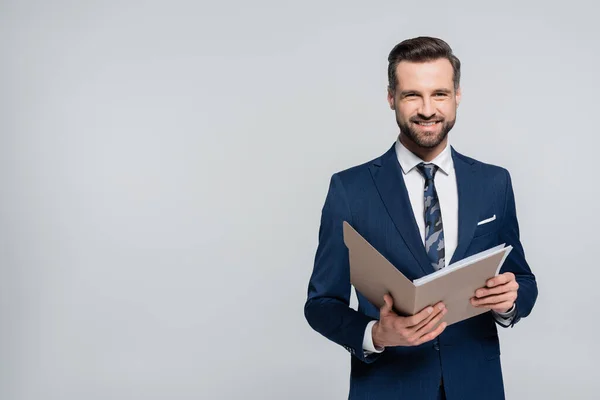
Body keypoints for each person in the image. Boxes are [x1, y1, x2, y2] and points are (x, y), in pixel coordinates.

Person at [303, 37, 538, 400]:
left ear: (457, 95)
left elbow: (522, 278)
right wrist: (376, 335)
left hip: (478, 385)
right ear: (391, 98)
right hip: (389, 386)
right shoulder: (350, 190)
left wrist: (511, 301)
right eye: (413, 95)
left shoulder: (494, 183)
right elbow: (321, 304)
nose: (428, 109)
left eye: (440, 94)